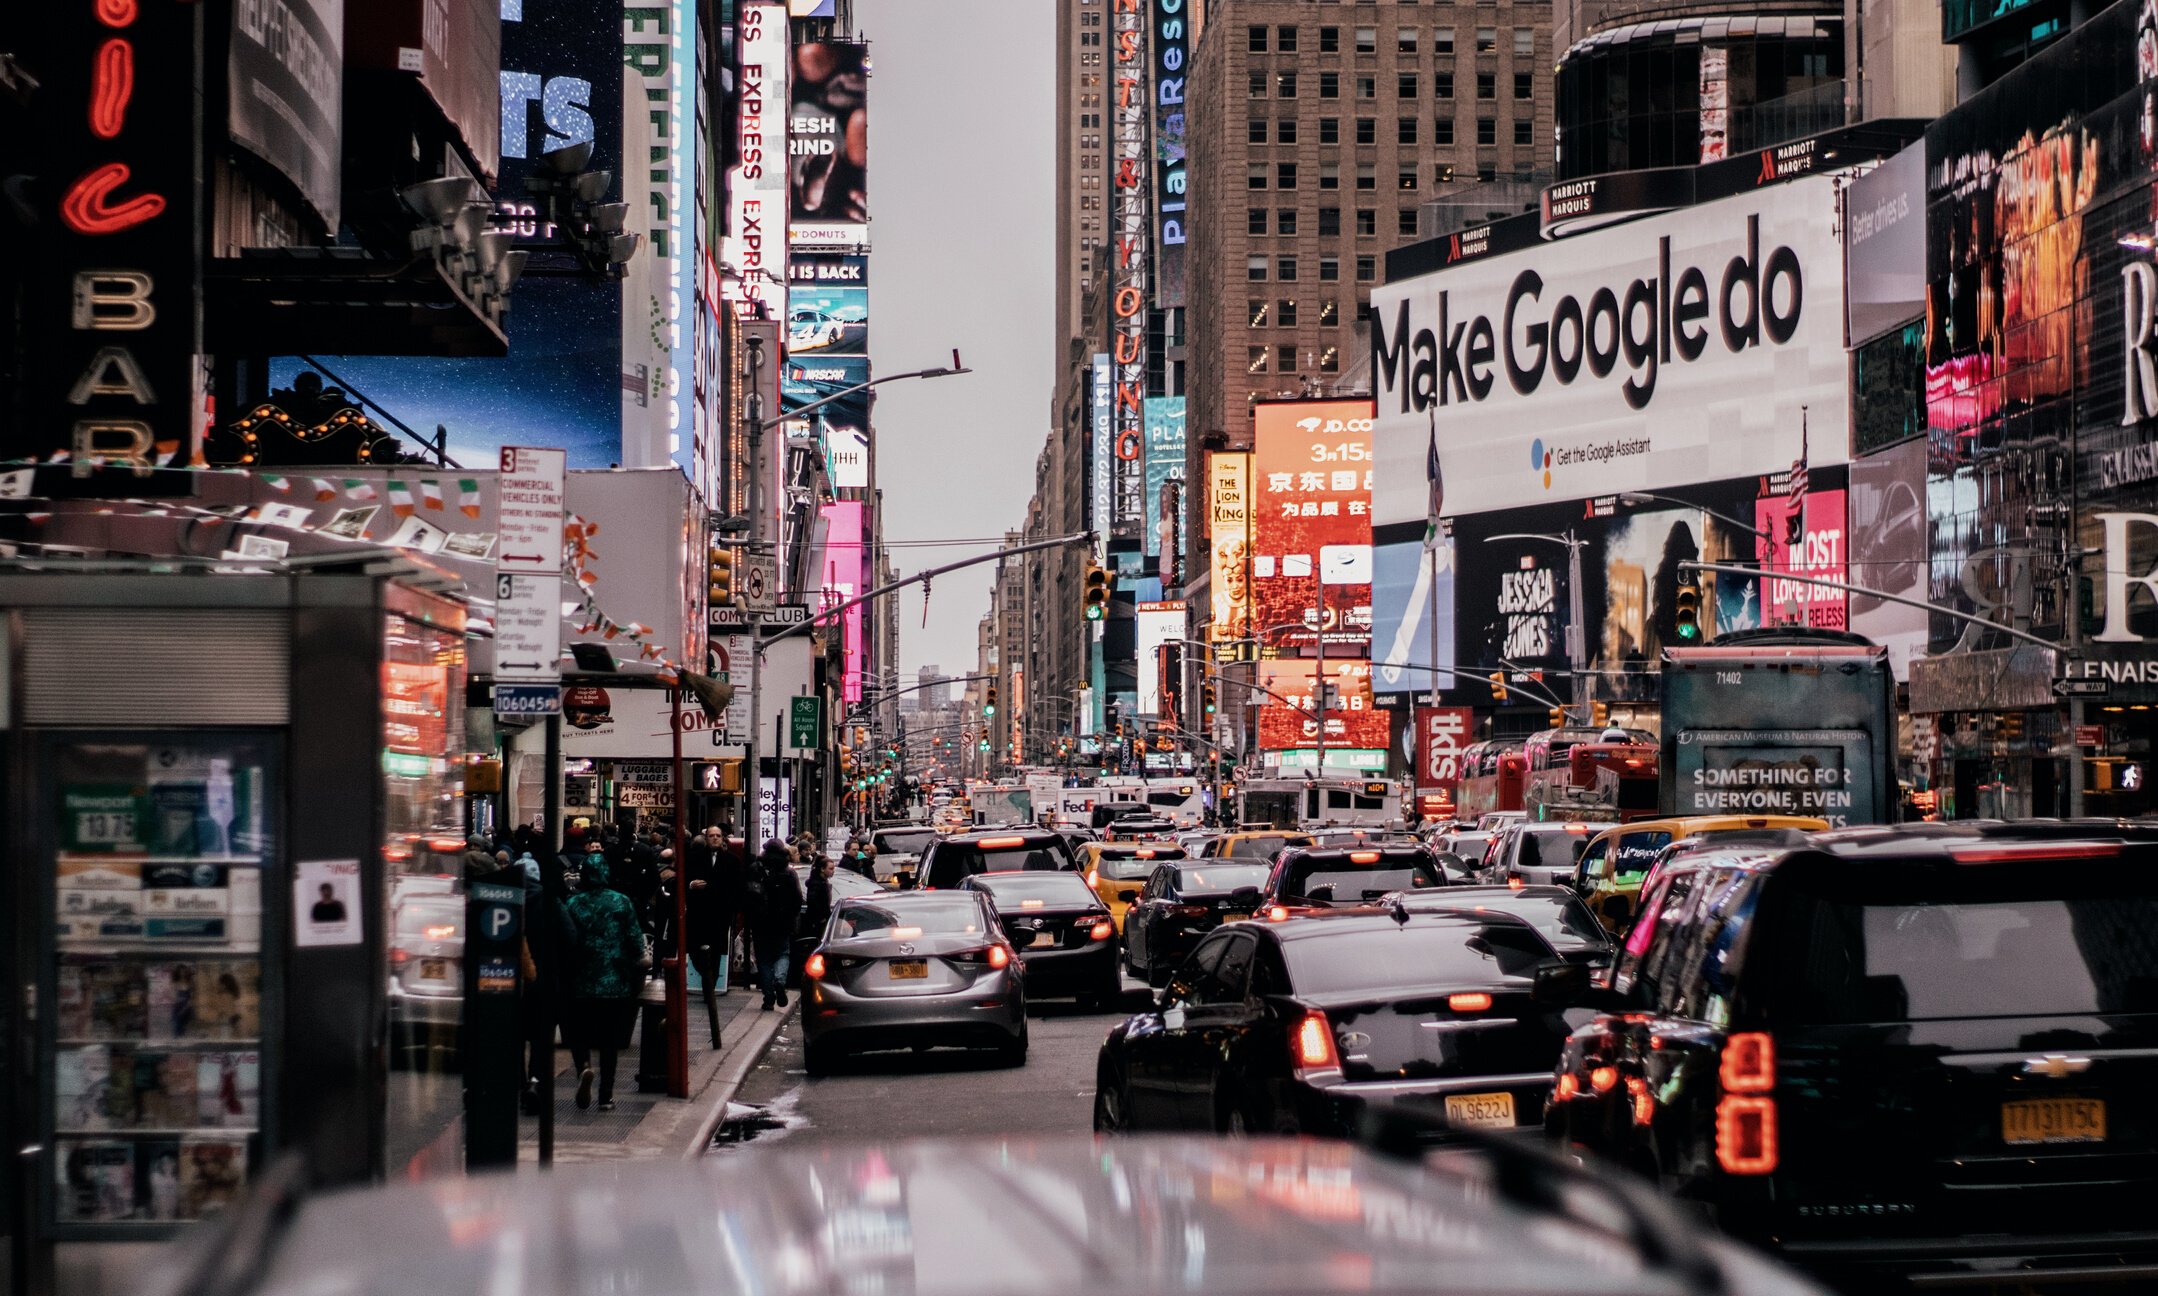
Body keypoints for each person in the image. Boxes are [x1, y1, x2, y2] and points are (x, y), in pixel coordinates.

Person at [562, 854, 647, 1111]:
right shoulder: (621, 902)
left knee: (579, 1033)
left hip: (581, 980)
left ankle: (584, 1069)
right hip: (615, 982)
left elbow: (566, 939)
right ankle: (606, 1094)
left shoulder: (573, 903)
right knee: (610, 1040)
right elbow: (635, 941)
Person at [684, 826, 742, 1046]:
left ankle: (711, 983)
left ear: (722, 839)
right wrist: (691, 885)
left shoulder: (732, 861)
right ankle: (705, 974)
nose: (715, 839)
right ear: (706, 839)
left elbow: (735, 888)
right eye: (711, 836)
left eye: (718, 836)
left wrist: (730, 911)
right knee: (695, 947)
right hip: (699, 912)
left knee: (716, 948)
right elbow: (685, 879)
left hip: (719, 914)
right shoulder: (695, 857)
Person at [751, 840, 804, 1011]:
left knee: (764, 960)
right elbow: (797, 899)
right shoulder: (788, 873)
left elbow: (747, 894)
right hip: (783, 922)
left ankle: (768, 998)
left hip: (761, 922)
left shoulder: (756, 870)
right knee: (783, 954)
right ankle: (780, 981)